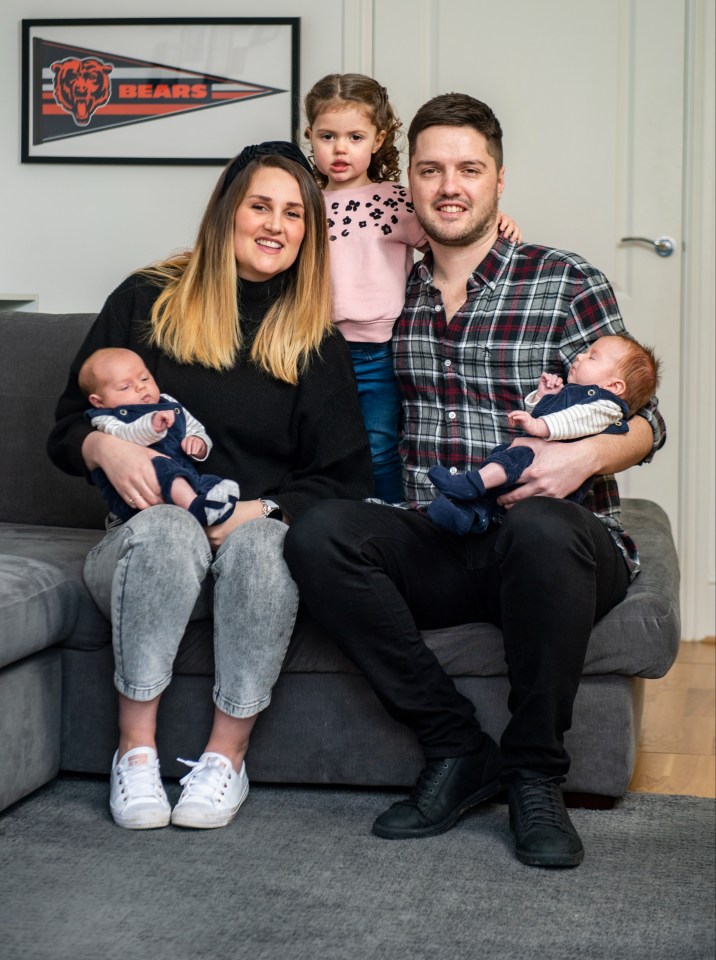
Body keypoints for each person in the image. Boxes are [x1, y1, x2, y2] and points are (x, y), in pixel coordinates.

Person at [284, 94, 666, 868]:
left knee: (538, 526)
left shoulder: (563, 280)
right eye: (430, 169)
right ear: (408, 184)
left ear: (498, 181)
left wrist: (582, 457)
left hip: (556, 542)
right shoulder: (387, 295)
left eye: (469, 168)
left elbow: (649, 422)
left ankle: (534, 774)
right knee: (320, 532)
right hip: (444, 535)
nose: (449, 185)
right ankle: (458, 748)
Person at [48, 140, 372, 831]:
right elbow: (65, 429)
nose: (275, 226)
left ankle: (225, 759)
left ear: (308, 235)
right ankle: (134, 754)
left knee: (263, 543)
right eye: (260, 205)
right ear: (229, 211)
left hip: (251, 556)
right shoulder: (146, 298)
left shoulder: (314, 341)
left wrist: (253, 512)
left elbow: (344, 481)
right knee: (167, 526)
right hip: (144, 550)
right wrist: (103, 444)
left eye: (294, 214)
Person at [303, 73, 521, 502]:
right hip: (315, 343)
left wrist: (500, 221)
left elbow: (451, 232)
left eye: (355, 136)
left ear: (378, 139)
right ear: (310, 136)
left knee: (380, 443)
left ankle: (387, 511)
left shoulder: (397, 201)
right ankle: (331, 513)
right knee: (319, 444)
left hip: (376, 349)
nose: (340, 148)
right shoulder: (304, 200)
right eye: (327, 136)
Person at [428, 333, 661, 534]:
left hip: (549, 475)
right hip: (533, 457)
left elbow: (573, 422)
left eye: (592, 356)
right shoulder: (577, 394)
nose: (579, 356)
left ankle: (469, 484)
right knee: (503, 463)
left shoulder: (606, 407)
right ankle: (468, 516)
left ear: (614, 386)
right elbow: (548, 413)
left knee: (510, 458)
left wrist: (539, 426)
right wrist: (543, 397)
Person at [80, 347, 240, 526]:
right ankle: (195, 509)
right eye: (125, 386)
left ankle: (212, 508)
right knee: (162, 465)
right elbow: (123, 435)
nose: (141, 386)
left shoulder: (169, 403)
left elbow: (195, 428)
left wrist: (199, 443)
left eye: (144, 378)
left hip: (185, 476)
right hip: (144, 490)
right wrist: (151, 425)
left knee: (208, 482)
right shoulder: (105, 418)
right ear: (98, 401)